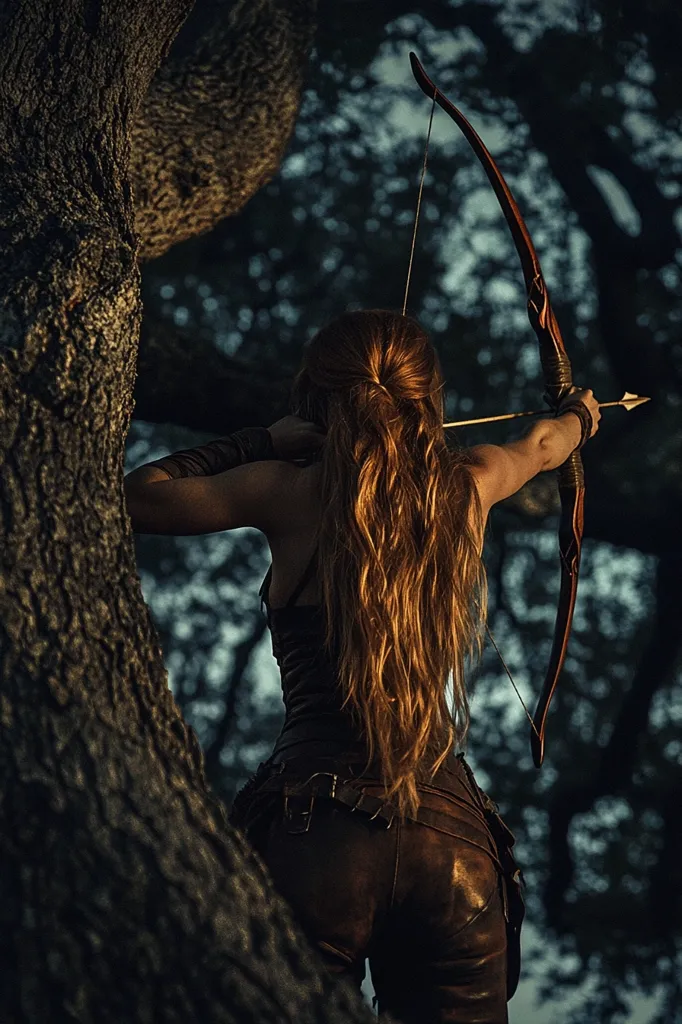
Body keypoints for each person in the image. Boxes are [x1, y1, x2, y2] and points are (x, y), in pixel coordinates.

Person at [124, 309, 600, 1023]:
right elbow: (542, 443)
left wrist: (262, 440)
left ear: (317, 398)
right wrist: (581, 417)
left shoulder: (283, 488)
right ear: (426, 398)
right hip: (454, 849)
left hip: (314, 828)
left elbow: (140, 494)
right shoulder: (470, 480)